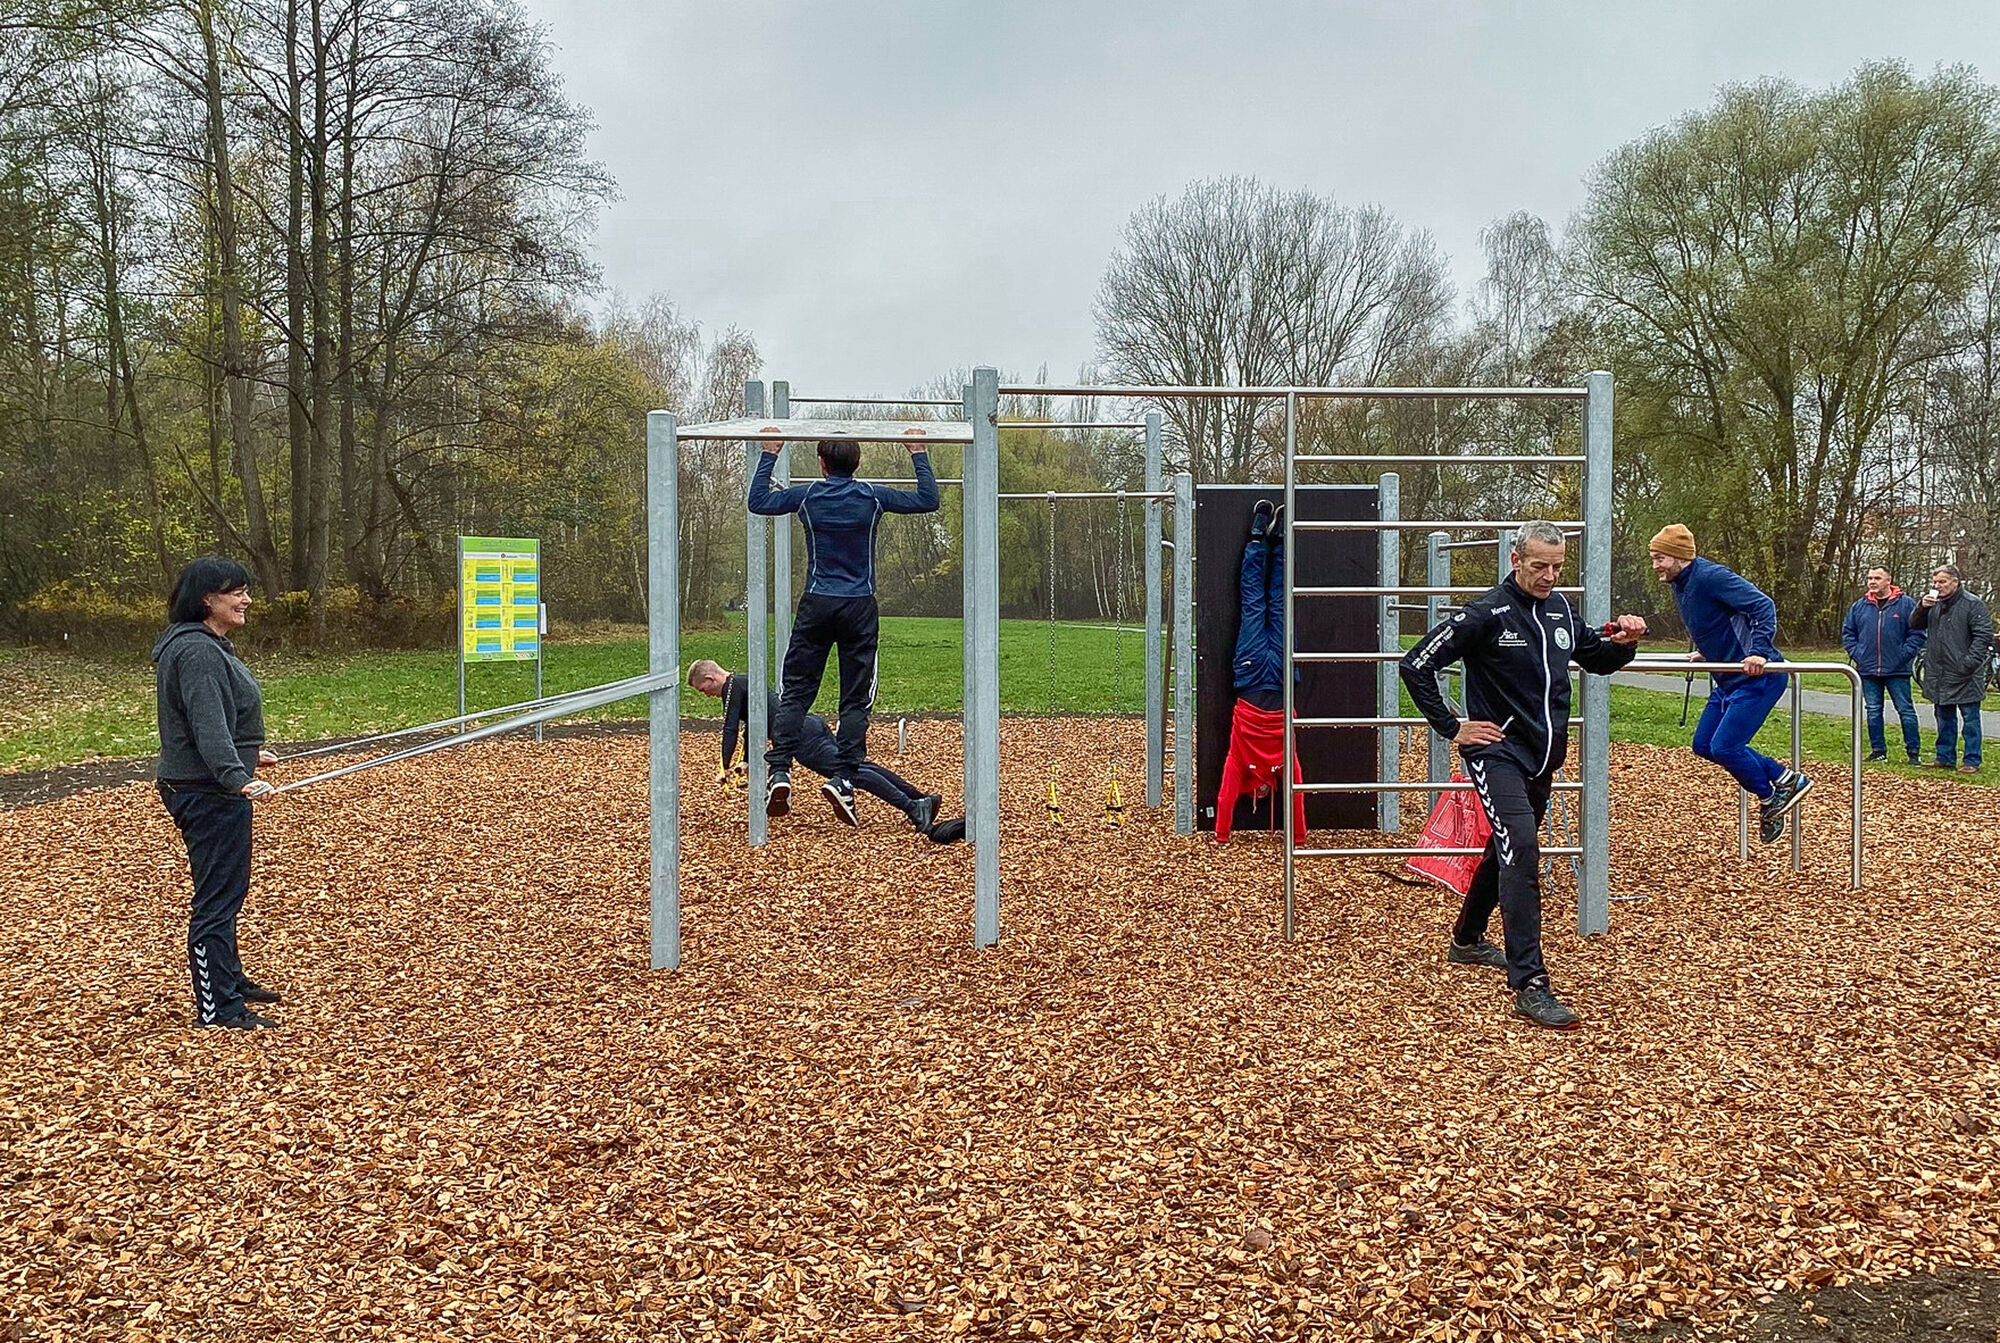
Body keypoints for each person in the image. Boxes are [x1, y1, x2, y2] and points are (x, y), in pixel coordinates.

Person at [1401, 521, 1648, 1029]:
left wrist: (1626, 642)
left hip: (1543, 757)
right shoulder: (1485, 614)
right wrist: (1453, 726)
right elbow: (1415, 665)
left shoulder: (1559, 611)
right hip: (1498, 755)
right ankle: (1530, 983)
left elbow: (1596, 660)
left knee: (1506, 848)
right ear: (1516, 560)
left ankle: (1467, 940)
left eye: (1557, 566)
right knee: (1522, 848)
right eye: (1539, 566)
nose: (1549, 576)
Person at [748, 436, 939, 824]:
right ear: (858, 462)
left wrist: (769, 454)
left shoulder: (807, 496)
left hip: (817, 602)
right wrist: (918, 454)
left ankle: (780, 770)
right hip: (858, 605)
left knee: (797, 693)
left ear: (821, 462)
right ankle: (843, 779)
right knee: (855, 699)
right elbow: (927, 499)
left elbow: (758, 501)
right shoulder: (871, 497)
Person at [152, 556, 283, 1030]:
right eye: (236, 592)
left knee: (229, 890)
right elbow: (206, 724)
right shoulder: (199, 651)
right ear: (208, 599)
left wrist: (247, 756)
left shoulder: (208, 646)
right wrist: (235, 775)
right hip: (204, 790)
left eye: (246, 590)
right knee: (217, 898)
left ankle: (229, 980)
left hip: (210, 781)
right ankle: (218, 1007)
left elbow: (215, 721)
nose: (246, 600)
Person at [1647, 524, 1810, 844]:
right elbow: (1718, 621)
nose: (1655, 566)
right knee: (1704, 744)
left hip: (1757, 679)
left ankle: (1770, 795)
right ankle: (1783, 778)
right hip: (1726, 680)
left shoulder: (1710, 576)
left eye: (1660, 558)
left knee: (1726, 746)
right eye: (1653, 558)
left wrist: (1759, 652)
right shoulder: (1680, 582)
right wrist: (1707, 651)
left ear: (1680, 557)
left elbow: (1763, 606)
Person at [687, 658, 952, 837]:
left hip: (801, 737)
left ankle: (913, 808)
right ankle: (919, 798)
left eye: (702, 689)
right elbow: (755, 725)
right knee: (858, 767)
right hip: (808, 724)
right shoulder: (741, 682)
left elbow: (731, 728)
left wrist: (723, 764)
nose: (705, 694)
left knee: (852, 775)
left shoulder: (731, 689)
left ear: (710, 678)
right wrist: (745, 760)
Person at [1214, 500, 1305, 842]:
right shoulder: (1282, 765)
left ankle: (1263, 537)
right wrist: (1297, 837)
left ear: (1257, 789)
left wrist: (1223, 834)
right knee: (1269, 603)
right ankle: (1273, 538)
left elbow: (1226, 794)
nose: (1266, 792)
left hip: (1259, 678)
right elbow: (1295, 793)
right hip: (1271, 678)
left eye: (1261, 794)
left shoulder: (1246, 762)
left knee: (1262, 604)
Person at [1840, 566, 1925, 765]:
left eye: (1877, 578)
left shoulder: (1905, 605)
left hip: (1898, 669)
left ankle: (1913, 752)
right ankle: (1878, 751)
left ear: (1888, 580)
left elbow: (1917, 633)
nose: (1872, 581)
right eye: (1869, 577)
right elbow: (1848, 633)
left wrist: (1903, 655)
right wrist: (1858, 654)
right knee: (1873, 710)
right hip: (1868, 669)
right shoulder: (1859, 606)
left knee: (1905, 710)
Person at [1912, 565, 1992, 774]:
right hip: (1939, 671)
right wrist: (1922, 607)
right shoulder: (1934, 604)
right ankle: (1944, 757)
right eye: (1935, 582)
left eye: (1943, 582)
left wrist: (1968, 663)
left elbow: (1982, 636)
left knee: (1970, 719)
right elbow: (1914, 624)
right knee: (1943, 716)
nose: (1938, 586)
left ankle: (1972, 760)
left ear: (1955, 582)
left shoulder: (1973, 604)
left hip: (1965, 672)